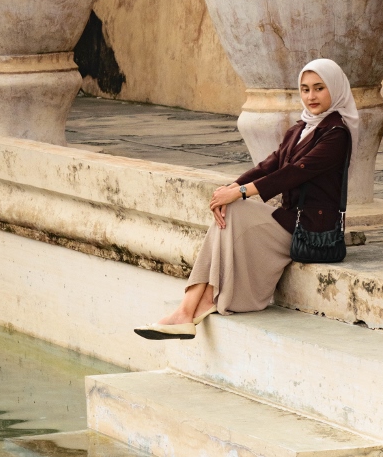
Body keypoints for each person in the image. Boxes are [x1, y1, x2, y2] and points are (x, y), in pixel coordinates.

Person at [134, 58, 358, 340]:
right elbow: (270, 164)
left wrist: (238, 193)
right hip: (289, 219)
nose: (311, 96)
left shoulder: (337, 134)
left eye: (319, 88)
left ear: (335, 89)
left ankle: (193, 306)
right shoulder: (300, 129)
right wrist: (229, 188)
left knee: (235, 209)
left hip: (310, 227)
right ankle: (190, 308)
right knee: (229, 209)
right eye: (304, 89)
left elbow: (292, 174)